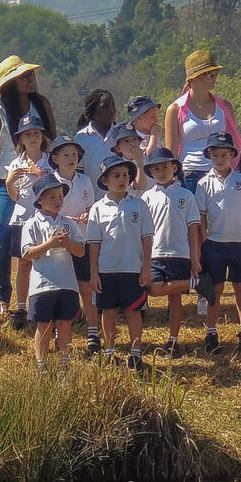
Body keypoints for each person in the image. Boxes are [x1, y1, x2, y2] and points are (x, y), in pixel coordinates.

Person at [0, 56, 58, 317]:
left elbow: (52, 139)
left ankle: (42, 290)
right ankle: (2, 297)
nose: (31, 80)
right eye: (24, 77)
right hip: (6, 179)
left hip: (40, 176)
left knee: (43, 233)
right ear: (11, 84)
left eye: (31, 75)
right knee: (2, 236)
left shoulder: (42, 104)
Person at [86, 148, 153, 369]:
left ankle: (135, 354)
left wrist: (146, 267)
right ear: (104, 181)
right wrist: (94, 273)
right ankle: (109, 351)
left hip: (132, 269)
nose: (122, 179)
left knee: (134, 312)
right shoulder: (97, 208)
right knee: (109, 312)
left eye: (125, 175)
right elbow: (93, 244)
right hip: (106, 270)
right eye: (116, 176)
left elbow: (147, 238)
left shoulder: (139, 205)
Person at [196, 131, 241, 352]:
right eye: (215, 155)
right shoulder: (204, 184)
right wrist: (202, 245)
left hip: (240, 242)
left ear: (232, 154)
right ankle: (211, 331)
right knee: (215, 290)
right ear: (209, 156)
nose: (220, 159)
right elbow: (201, 217)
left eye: (224, 154)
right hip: (214, 243)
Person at [141, 145, 201, 356]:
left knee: (175, 299)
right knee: (152, 289)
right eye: (156, 168)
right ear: (151, 172)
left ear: (175, 168)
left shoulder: (185, 195)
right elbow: (143, 231)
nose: (162, 171)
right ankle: (198, 284)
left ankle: (173, 340)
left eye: (166, 166)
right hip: (155, 253)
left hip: (179, 253)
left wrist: (194, 258)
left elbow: (193, 228)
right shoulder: (147, 197)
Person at [20, 172, 84, 372]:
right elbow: (27, 254)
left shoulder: (69, 224)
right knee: (44, 326)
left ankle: (66, 365)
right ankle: (42, 366)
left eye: (60, 196)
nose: (58, 201)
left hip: (67, 283)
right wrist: (50, 244)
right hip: (42, 284)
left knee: (65, 324)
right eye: (52, 197)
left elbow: (81, 251)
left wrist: (67, 243)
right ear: (39, 201)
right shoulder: (31, 224)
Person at [47, 135, 101, 353]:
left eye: (75, 154)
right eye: (66, 154)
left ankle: (93, 332)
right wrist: (70, 220)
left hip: (82, 240)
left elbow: (91, 206)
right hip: (59, 243)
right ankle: (56, 331)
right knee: (59, 288)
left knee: (86, 287)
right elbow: (47, 211)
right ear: (55, 158)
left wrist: (87, 216)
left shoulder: (84, 180)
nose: (72, 158)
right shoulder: (49, 181)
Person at [2, 109, 55, 330]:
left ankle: (47, 306)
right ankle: (21, 307)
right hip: (22, 218)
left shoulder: (50, 162)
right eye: (27, 134)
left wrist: (39, 174)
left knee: (47, 261)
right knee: (24, 263)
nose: (32, 137)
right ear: (21, 140)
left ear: (42, 136)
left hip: (43, 218)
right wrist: (9, 182)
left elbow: (55, 190)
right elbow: (15, 198)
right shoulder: (15, 164)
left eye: (36, 133)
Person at [166, 50, 241, 194]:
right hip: (188, 175)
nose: (215, 78)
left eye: (216, 73)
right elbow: (171, 153)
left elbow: (232, 143)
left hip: (221, 173)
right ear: (194, 78)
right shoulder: (175, 109)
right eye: (210, 74)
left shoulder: (225, 106)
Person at [72, 89, 117, 183]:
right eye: (105, 107)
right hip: (92, 196)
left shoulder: (120, 135)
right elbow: (78, 173)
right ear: (94, 112)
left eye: (113, 105)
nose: (112, 110)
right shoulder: (81, 138)